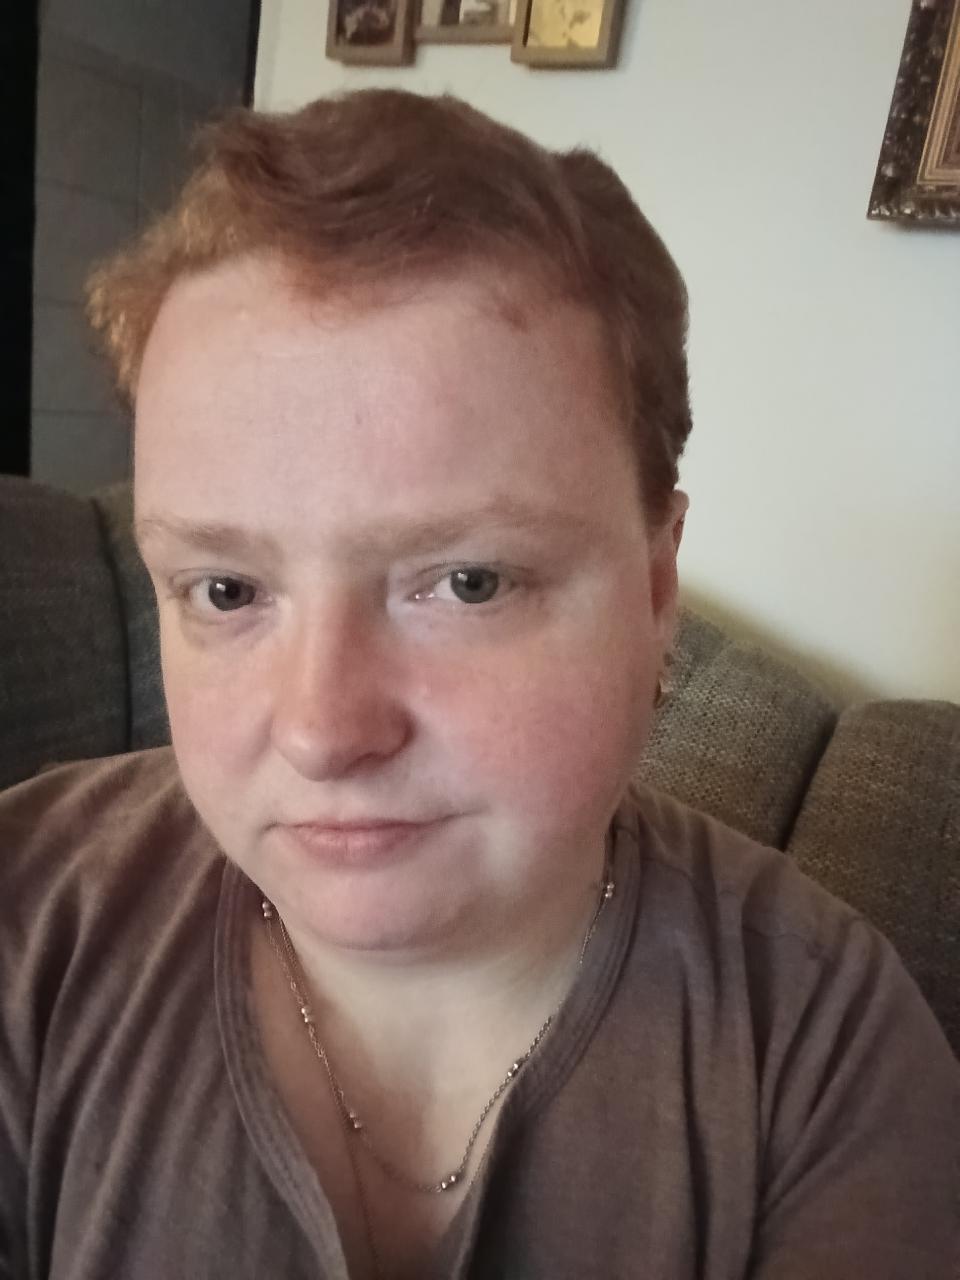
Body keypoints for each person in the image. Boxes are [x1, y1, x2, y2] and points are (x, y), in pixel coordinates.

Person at [0, 89, 956, 1280]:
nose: (320, 730)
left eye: (468, 581)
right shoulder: (28, 916)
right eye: (228, 589)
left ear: (655, 587)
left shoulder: (821, 1056)